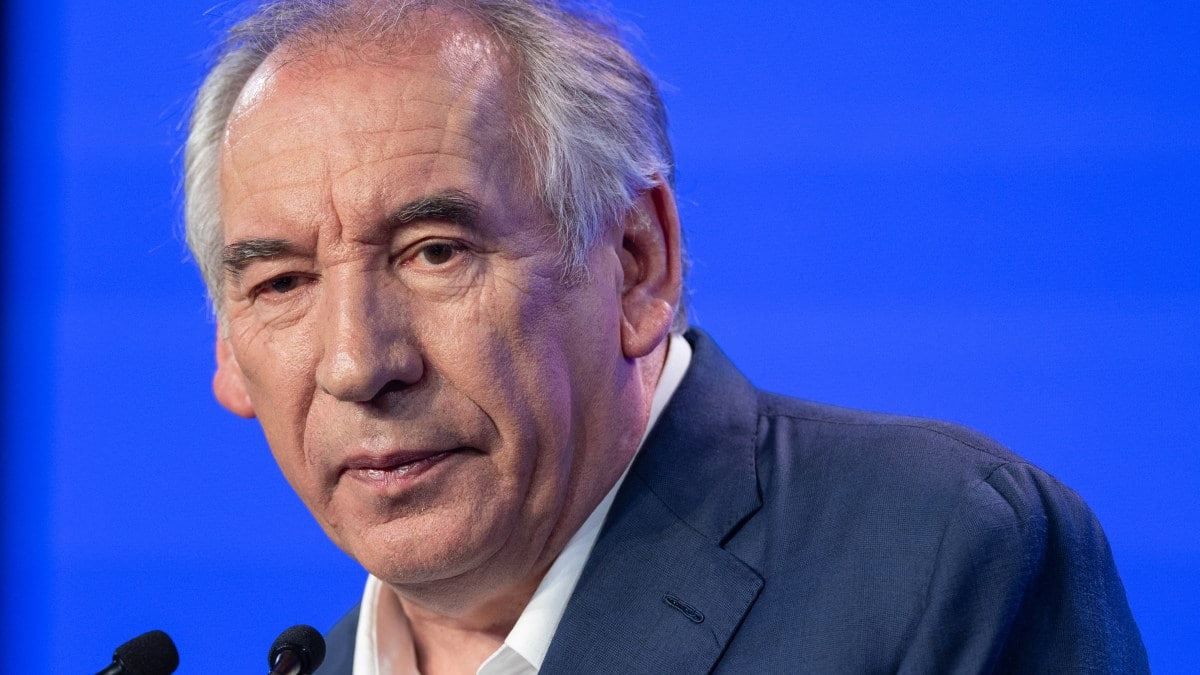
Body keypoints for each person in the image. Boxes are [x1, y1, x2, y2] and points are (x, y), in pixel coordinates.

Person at [184, 1, 1149, 672]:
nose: (359, 363)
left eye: (436, 251)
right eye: (282, 283)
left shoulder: (941, 555)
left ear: (638, 263)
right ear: (229, 348)